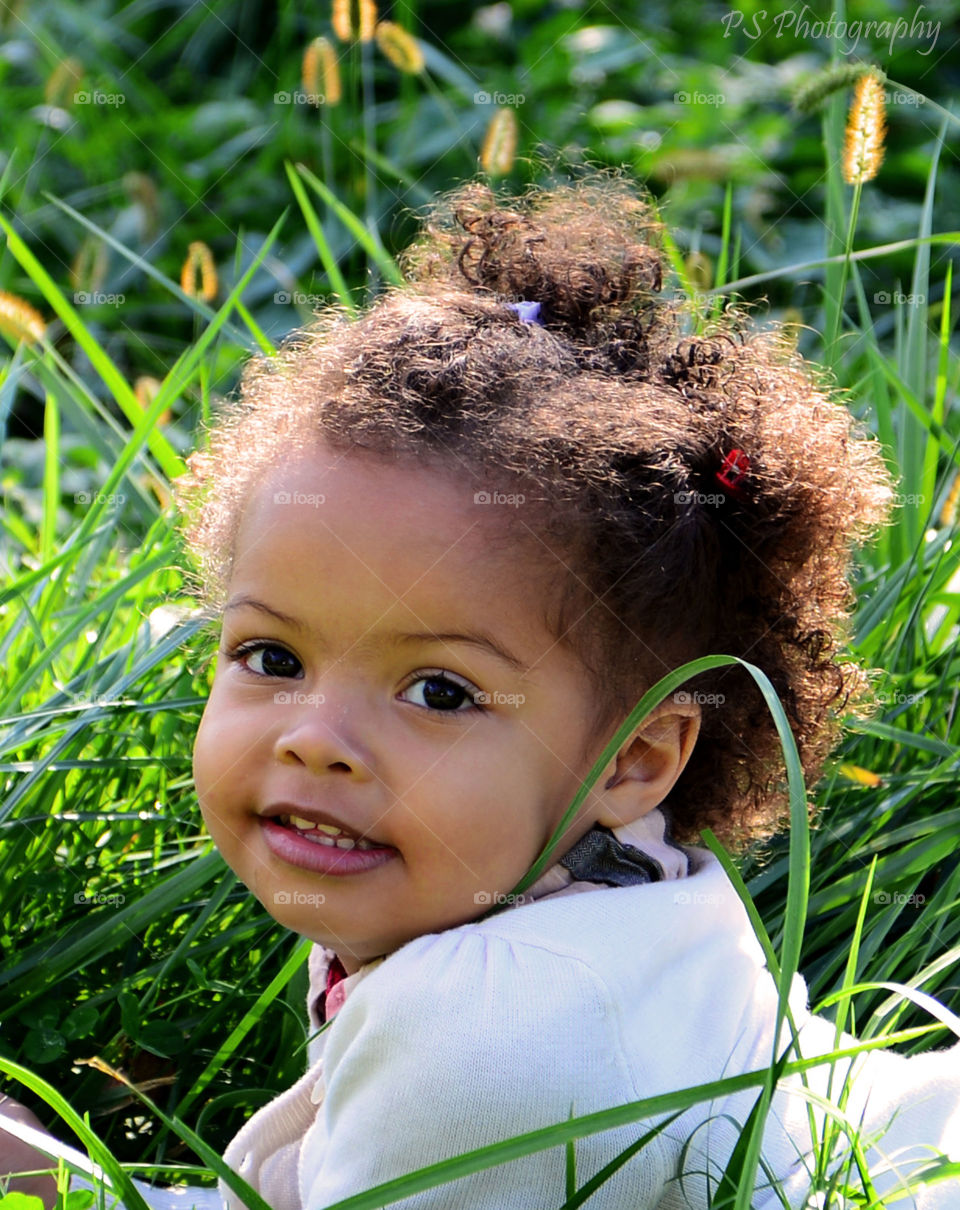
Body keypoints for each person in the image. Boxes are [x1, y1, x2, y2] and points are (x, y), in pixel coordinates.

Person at [3, 175, 958, 1209]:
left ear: (634, 758)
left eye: (442, 691)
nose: (316, 739)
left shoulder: (499, 1046)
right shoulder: (581, 888)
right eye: (273, 658)